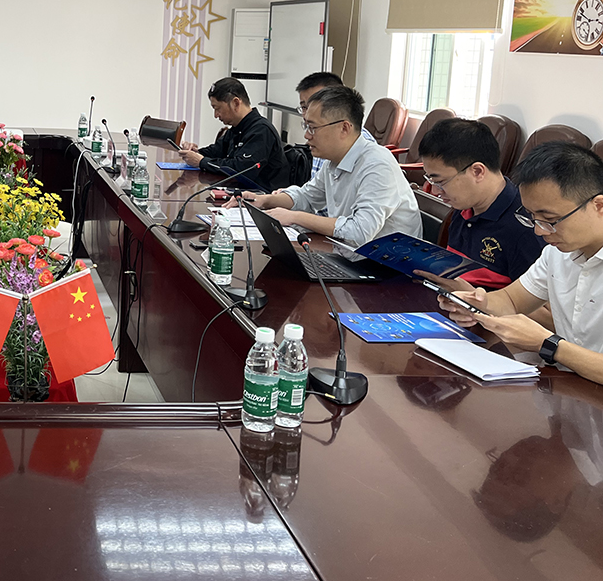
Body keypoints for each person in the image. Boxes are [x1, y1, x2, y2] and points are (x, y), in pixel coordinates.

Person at [440, 143, 603, 386]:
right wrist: (477, 302)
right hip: (566, 389)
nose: (539, 231)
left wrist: (549, 345)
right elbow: (512, 300)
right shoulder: (556, 253)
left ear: (599, 206)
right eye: (532, 217)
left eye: (550, 219)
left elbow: (549, 344)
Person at [235, 86, 422, 247]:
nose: (307, 136)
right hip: (347, 253)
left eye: (313, 128)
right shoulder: (334, 160)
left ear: (344, 128)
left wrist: (294, 217)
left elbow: (359, 232)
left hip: (385, 268)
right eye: (306, 126)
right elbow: (307, 196)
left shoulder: (377, 165)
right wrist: (264, 200)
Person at [418, 118, 544, 287]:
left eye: (440, 182)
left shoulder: (524, 229)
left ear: (477, 171)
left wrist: (470, 295)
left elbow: (534, 302)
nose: (435, 191)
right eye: (431, 180)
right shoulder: (465, 206)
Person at [178, 77, 289, 192]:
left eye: (217, 108)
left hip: (262, 196)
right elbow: (216, 151)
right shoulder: (237, 128)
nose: (216, 115)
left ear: (235, 103)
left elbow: (241, 170)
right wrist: (195, 152)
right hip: (238, 191)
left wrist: (201, 161)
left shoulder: (261, 131)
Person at [295, 72, 377, 178]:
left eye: (314, 105)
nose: (307, 114)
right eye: (304, 107)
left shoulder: (371, 165)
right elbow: (315, 187)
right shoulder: (328, 148)